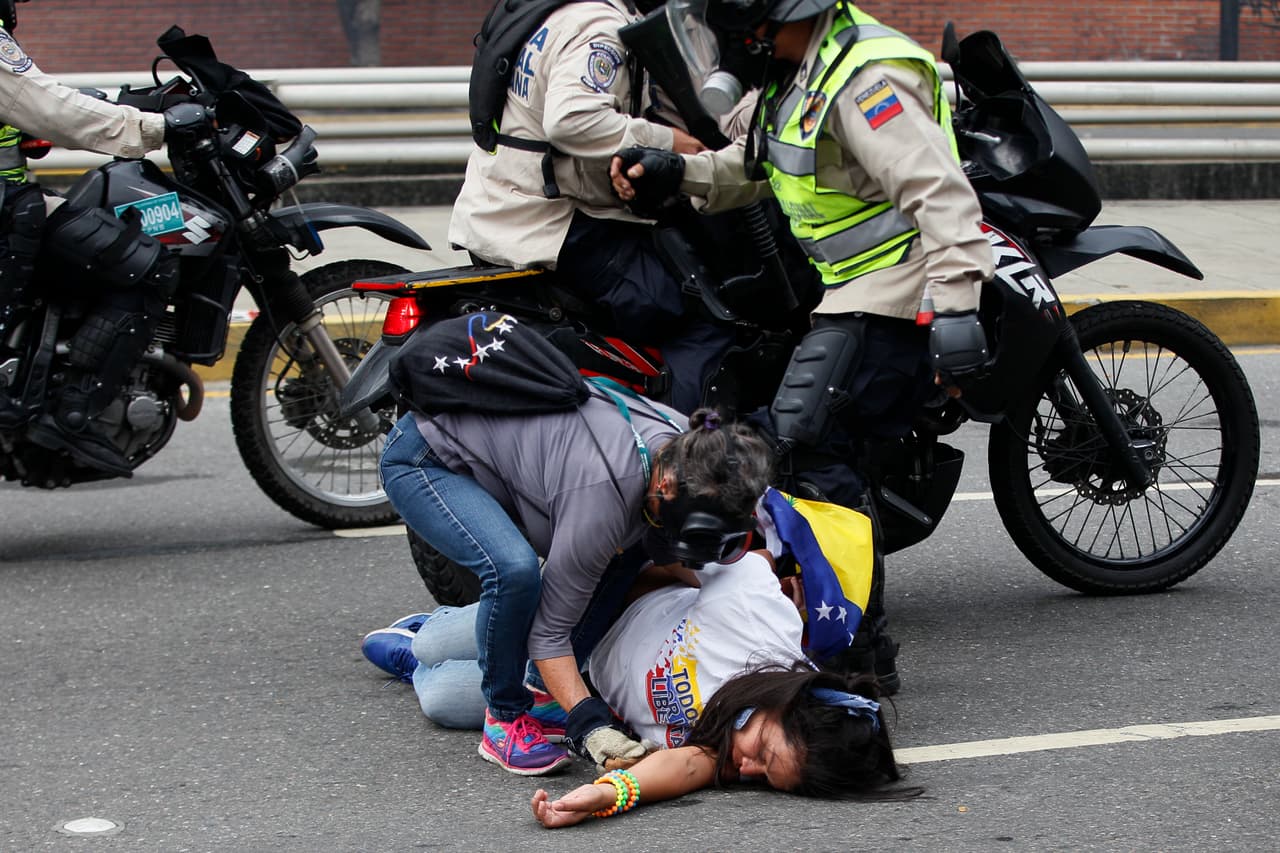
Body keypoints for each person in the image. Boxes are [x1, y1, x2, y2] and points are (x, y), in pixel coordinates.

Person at [609, 0, 998, 692]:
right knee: (817, 456)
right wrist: (676, 172)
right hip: (844, 293)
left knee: (813, 453)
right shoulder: (795, 74)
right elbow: (752, 169)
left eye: (737, 20)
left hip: (898, 295)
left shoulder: (866, 78)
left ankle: (857, 654)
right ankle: (845, 637)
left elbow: (942, 195)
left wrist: (959, 310)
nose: (731, 39)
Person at [362, 531, 914, 823]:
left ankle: (417, 664)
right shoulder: (760, 624)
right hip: (583, 612)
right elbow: (700, 549)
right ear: (789, 700)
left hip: (579, 685)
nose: (747, 768)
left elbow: (678, 767)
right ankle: (427, 633)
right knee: (439, 643)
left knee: (440, 696)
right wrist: (635, 577)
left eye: (768, 780)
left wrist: (600, 795)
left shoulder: (722, 747)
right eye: (765, 754)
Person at [377, 392, 772, 776]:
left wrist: (744, 575)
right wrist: (590, 723)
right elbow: (549, 635)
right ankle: (503, 720)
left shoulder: (693, 449)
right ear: (666, 485)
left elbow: (671, 553)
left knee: (627, 546)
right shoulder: (604, 498)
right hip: (427, 460)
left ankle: (513, 686)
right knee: (514, 572)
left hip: (559, 500)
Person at [450, 0, 733, 413]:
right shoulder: (600, 26)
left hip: (497, 210)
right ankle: (684, 455)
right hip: (552, 224)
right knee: (700, 315)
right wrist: (669, 142)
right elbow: (571, 121)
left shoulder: (548, 10)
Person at [0, 0, 180, 475]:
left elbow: (32, 98)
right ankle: (71, 416)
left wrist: (113, 100)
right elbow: (46, 109)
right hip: (6, 210)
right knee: (145, 264)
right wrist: (157, 127)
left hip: (11, 203)